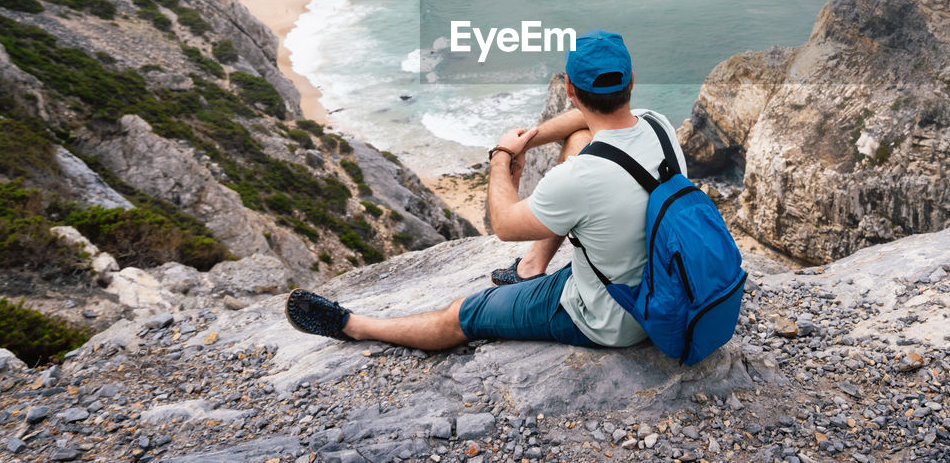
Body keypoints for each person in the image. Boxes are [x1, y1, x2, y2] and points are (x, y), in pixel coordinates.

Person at [284, 29, 685, 351]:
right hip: (667, 290)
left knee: (463, 314)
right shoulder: (658, 124)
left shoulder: (578, 179)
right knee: (581, 139)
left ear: (570, 90)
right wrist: (526, 141)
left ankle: (354, 326)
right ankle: (530, 267)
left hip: (612, 319)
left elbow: (504, 224)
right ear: (631, 81)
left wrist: (500, 156)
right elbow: (583, 122)